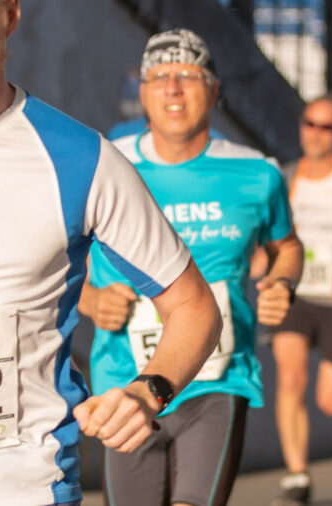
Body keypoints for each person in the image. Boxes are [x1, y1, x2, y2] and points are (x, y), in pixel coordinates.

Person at [0, 0, 222, 505]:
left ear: (10, 16)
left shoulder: (79, 158)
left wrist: (148, 391)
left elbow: (193, 307)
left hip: (21, 484)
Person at [79, 28, 302, 506]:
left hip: (217, 378)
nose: (172, 88)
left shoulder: (257, 173)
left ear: (215, 90)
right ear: (142, 92)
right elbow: (50, 257)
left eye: (187, 75)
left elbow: (287, 245)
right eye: (158, 76)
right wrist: (91, 300)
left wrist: (283, 280)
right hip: (124, 382)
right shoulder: (104, 167)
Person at [270, 94, 332, 506]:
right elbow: (270, 229)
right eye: (310, 123)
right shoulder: (285, 175)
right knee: (290, 379)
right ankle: (297, 477)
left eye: (326, 126)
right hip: (296, 292)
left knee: (330, 402)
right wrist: (265, 258)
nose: (315, 133)